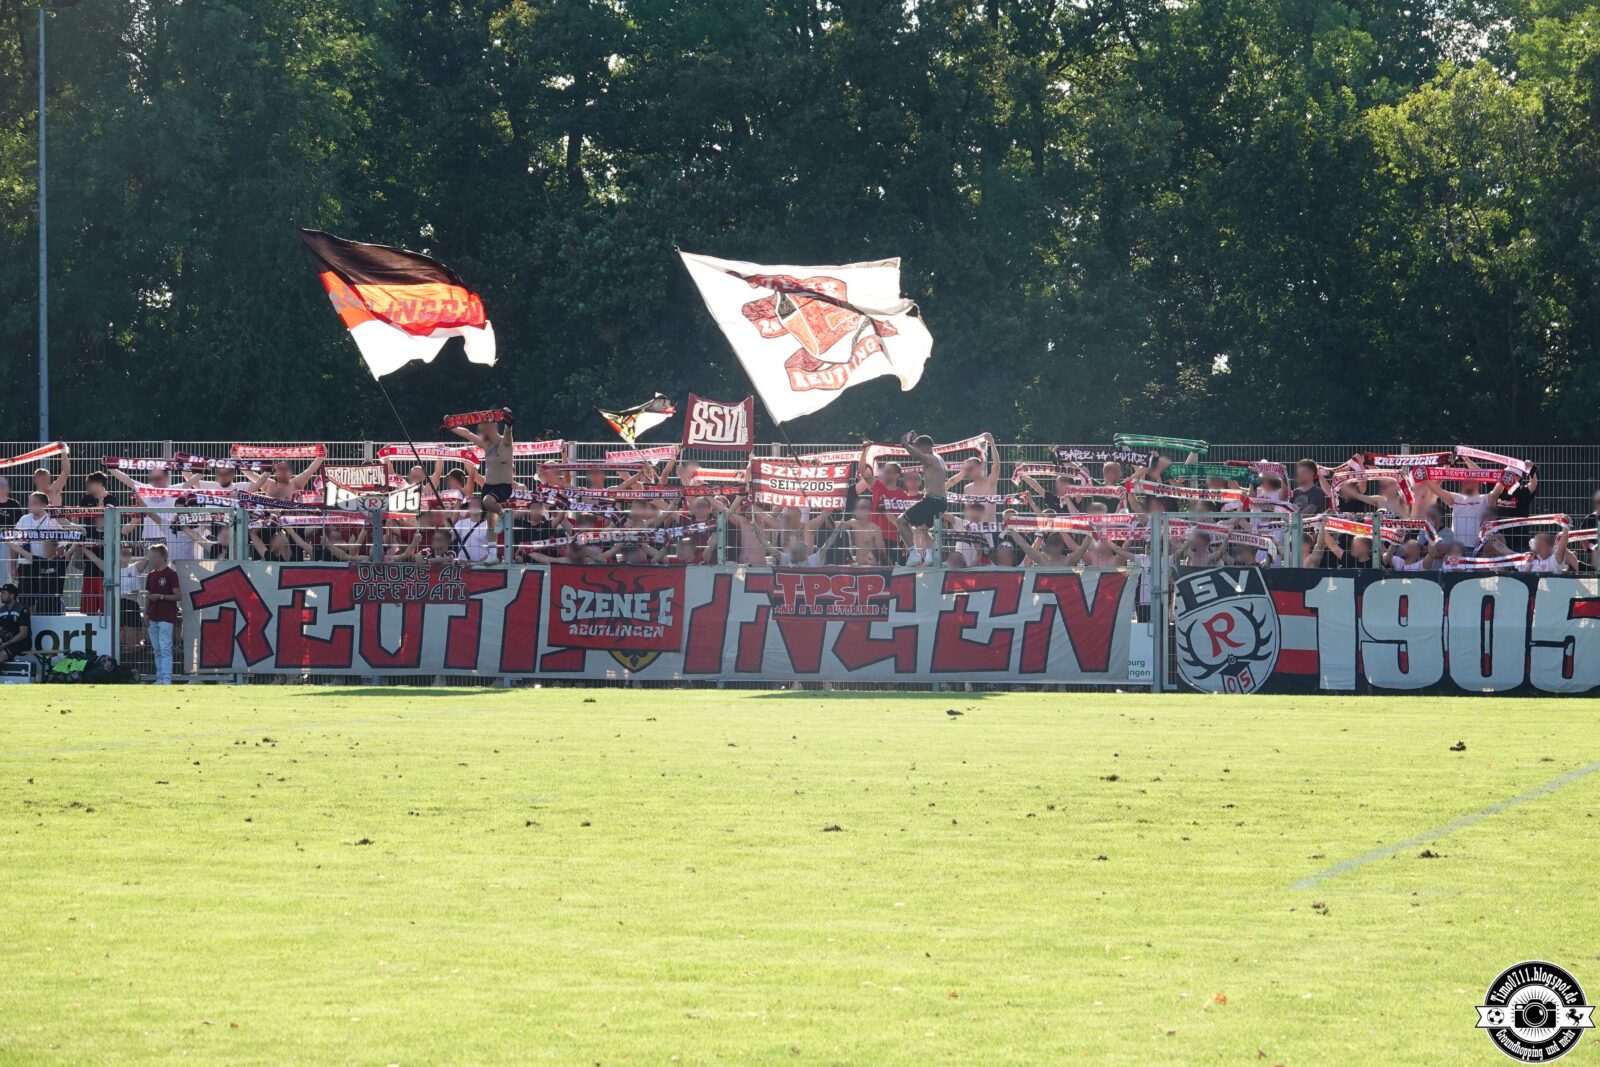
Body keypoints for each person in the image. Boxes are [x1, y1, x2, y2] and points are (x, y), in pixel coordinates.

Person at [450, 410, 516, 539]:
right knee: (490, 522)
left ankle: (503, 515)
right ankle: (492, 552)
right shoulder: (486, 444)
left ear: (494, 425)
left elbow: (508, 432)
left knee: (488, 501)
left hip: (503, 486)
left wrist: (508, 422)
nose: (483, 428)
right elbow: (467, 434)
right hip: (488, 486)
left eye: (486, 424)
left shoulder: (505, 443)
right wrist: (451, 426)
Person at [896, 432, 950, 565]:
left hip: (932, 500)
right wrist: (915, 441)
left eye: (918, 447)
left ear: (925, 447)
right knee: (923, 528)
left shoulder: (930, 458)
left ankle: (913, 554)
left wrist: (906, 445)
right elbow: (922, 449)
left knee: (901, 521)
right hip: (941, 502)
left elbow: (918, 455)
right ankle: (931, 556)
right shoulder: (938, 458)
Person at [15, 491, 65, 614]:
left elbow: (61, 547)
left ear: (42, 505)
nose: (29, 506)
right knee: (26, 600)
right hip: (26, 565)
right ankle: (29, 624)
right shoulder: (24, 520)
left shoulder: (53, 521)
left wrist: (54, 565)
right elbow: (14, 543)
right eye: (29, 503)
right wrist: (12, 566)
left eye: (33, 503)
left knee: (45, 601)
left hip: (45, 566)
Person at [143, 544, 180, 685]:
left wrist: (161, 596)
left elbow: (178, 596)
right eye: (151, 556)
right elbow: (148, 595)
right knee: (156, 649)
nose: (152, 559)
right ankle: (159, 677)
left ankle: (167, 678)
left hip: (166, 616)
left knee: (165, 647)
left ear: (163, 557)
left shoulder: (171, 574)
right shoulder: (151, 575)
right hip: (153, 615)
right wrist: (145, 612)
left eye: (155, 557)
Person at [0, 582, 32, 667]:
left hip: (21, 643)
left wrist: (6, 644)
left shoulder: (22, 610)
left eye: (3, 593)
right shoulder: (2, 610)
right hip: (6, 642)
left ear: (12, 595)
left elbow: (23, 634)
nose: (1, 595)